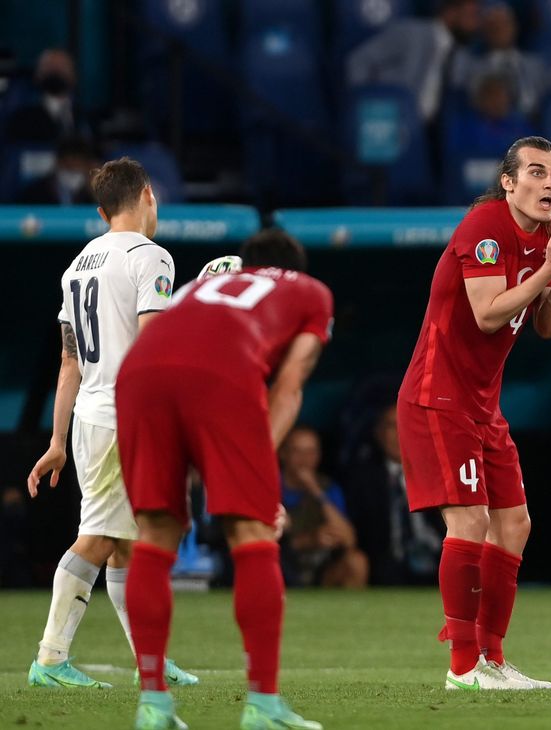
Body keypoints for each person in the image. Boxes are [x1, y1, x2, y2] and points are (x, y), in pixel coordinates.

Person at [398, 135, 551, 691]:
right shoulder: (485, 226)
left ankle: (492, 659)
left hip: (483, 405)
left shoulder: (547, 241)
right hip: (438, 396)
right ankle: (462, 667)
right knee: (470, 520)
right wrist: (549, 270)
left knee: (515, 524)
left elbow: (549, 326)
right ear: (508, 183)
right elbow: (487, 314)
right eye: (536, 172)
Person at [115, 230, 331, 729]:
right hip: (222, 376)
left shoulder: (197, 286)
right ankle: (263, 706)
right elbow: (290, 382)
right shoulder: (311, 291)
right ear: (296, 268)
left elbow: (170, 349)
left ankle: (153, 704)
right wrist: (255, 464)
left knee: (154, 533)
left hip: (140, 371)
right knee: (251, 534)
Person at [25, 157, 197, 690]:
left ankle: (149, 660)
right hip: (129, 417)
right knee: (98, 536)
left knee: (126, 541)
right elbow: (153, 344)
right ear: (148, 194)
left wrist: (57, 439)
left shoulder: (77, 264)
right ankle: (50, 660)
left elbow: (69, 360)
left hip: (90, 416)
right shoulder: (152, 257)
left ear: (101, 211)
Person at [346, 403, 445, 586]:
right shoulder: (362, 478)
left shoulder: (438, 472)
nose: (399, 434)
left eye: (405, 425)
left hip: (437, 560)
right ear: (378, 432)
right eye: (392, 426)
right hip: (386, 566)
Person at [345, 0, 480, 123]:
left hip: (431, 135)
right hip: (389, 122)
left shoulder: (461, 57)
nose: (475, 25)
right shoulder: (412, 33)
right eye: (471, 15)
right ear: (451, 13)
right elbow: (359, 61)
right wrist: (369, 106)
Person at [279, 426, 369, 589]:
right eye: (297, 452)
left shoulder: (327, 488)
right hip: (282, 565)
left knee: (356, 562)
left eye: (310, 452)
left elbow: (349, 539)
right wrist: (309, 540)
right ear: (283, 454)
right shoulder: (271, 486)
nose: (304, 460)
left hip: (319, 567)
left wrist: (316, 491)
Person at [468, 3, 545, 118]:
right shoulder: (474, 69)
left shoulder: (536, 65)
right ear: (484, 31)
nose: (499, 29)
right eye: (493, 25)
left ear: (515, 26)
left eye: (504, 23)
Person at [5, 49, 91, 143]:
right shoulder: (21, 120)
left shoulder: (86, 117)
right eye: (50, 66)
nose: (56, 70)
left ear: (74, 74)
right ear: (37, 74)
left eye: (62, 66)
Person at [17, 136, 100, 205]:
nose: (72, 174)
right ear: (58, 164)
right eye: (69, 168)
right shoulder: (35, 193)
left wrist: (94, 192)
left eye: (77, 169)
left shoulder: (91, 194)